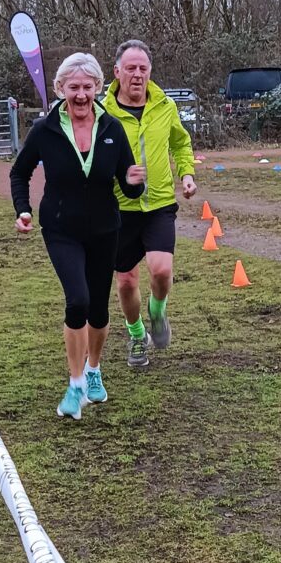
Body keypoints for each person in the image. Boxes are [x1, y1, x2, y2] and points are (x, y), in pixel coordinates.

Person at [10, 52, 145, 420]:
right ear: (60, 89)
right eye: (74, 87)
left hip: (105, 229)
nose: (82, 95)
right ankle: (74, 384)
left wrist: (135, 181)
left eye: (88, 87)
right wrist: (22, 209)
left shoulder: (112, 129)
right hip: (61, 229)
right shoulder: (45, 129)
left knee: (98, 309)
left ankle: (94, 369)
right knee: (78, 301)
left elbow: (129, 188)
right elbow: (19, 173)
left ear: (98, 87)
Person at [102, 39, 197, 368]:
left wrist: (187, 174)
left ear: (150, 72)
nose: (137, 74)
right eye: (130, 68)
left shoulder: (165, 106)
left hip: (158, 204)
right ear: (117, 72)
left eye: (143, 68)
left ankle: (157, 313)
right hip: (118, 210)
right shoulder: (103, 112)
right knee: (126, 281)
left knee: (162, 271)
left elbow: (180, 143)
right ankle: (136, 334)